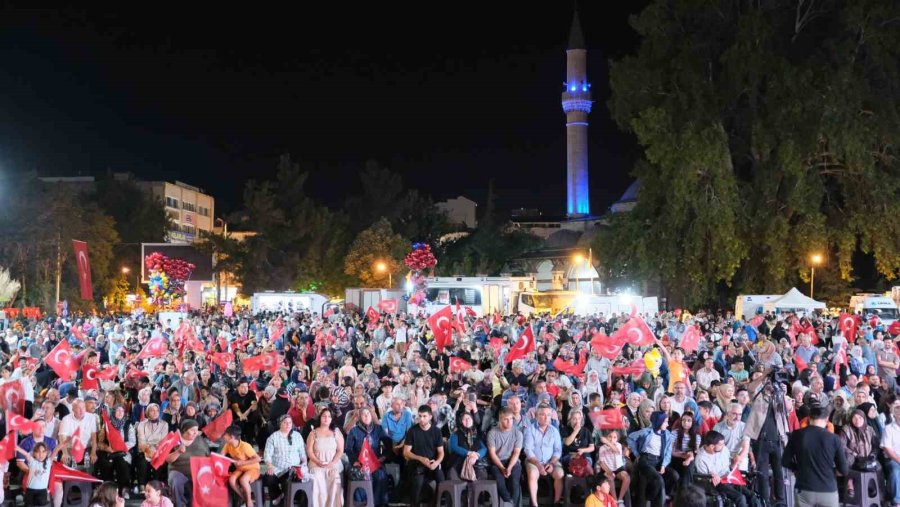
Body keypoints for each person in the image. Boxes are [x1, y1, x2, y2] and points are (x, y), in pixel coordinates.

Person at [782, 404, 848, 507]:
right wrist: (833, 471)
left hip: (804, 487)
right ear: (827, 419)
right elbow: (844, 470)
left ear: (808, 418)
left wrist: (797, 469)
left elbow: (785, 461)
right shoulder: (834, 438)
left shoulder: (797, 435)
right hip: (828, 489)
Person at [627, 411, 675, 507]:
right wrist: (636, 453)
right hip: (646, 460)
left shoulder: (668, 435)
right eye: (665, 421)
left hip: (659, 461)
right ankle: (648, 497)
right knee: (658, 480)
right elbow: (630, 438)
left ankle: (663, 497)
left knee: (674, 475)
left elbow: (668, 453)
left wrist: (663, 465)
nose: (667, 424)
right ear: (659, 421)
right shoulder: (647, 432)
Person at [693, 431, 753, 507]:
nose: (723, 446)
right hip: (718, 483)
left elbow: (730, 467)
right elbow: (703, 479)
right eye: (721, 444)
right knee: (740, 498)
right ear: (712, 446)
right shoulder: (701, 458)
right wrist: (711, 476)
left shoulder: (724, 449)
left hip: (730, 478)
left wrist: (735, 463)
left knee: (752, 495)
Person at [345, 407, 390, 507]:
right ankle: (362, 503)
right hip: (359, 463)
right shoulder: (354, 431)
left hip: (375, 462)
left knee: (380, 475)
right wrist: (354, 461)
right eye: (363, 414)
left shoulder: (378, 429)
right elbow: (348, 449)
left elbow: (389, 444)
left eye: (368, 414)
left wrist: (383, 457)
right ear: (360, 417)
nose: (366, 416)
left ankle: (377, 503)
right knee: (359, 476)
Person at [403, 405, 445, 507]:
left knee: (440, 477)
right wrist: (420, 458)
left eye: (424, 416)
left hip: (431, 463)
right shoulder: (412, 431)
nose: (421, 419)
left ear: (430, 417)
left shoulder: (436, 431)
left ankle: (438, 503)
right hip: (416, 463)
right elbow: (406, 452)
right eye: (420, 416)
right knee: (418, 481)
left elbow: (441, 452)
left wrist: (437, 462)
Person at [263, 415, 310, 506]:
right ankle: (278, 496)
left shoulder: (297, 436)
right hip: (278, 468)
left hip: (293, 469)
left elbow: (302, 453)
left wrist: (304, 464)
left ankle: (288, 500)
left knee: (291, 481)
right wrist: (269, 466)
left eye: (290, 423)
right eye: (285, 422)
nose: (288, 425)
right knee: (268, 478)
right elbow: (267, 455)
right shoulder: (273, 437)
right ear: (280, 424)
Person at [523, 404, 563, 507]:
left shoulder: (554, 431)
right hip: (533, 460)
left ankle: (557, 502)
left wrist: (552, 463)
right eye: (543, 415)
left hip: (551, 460)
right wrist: (538, 465)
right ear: (536, 416)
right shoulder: (530, 429)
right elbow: (528, 450)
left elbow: (557, 450)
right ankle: (534, 503)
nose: (546, 418)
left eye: (548, 415)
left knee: (560, 474)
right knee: (532, 473)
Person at [165, 419, 210, 507]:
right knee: (176, 480)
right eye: (192, 430)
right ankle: (180, 505)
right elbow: (167, 459)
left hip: (198, 472)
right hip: (178, 471)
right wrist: (178, 452)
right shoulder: (174, 440)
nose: (195, 433)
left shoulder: (200, 440)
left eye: (196, 430)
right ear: (185, 430)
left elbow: (208, 456)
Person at [95, 404, 135, 498]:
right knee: (106, 464)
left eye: (122, 411)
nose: (120, 413)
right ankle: (109, 490)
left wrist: (121, 447)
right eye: (118, 411)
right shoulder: (106, 425)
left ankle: (124, 489)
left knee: (122, 464)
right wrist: (107, 448)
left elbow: (132, 441)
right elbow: (100, 443)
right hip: (109, 452)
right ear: (113, 412)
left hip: (123, 452)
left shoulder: (128, 425)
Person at [307, 407, 344, 507]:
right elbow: (309, 451)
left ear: (331, 419)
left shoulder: (336, 432)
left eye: (328, 416)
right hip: (316, 463)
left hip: (333, 463)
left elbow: (340, 451)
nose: (326, 418)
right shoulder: (313, 433)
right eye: (324, 416)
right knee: (316, 478)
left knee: (334, 477)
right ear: (320, 418)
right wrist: (317, 461)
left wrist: (332, 463)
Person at [487, 408, 523, 507]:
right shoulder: (492, 433)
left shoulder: (518, 433)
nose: (509, 422)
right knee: (499, 481)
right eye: (506, 419)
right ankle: (509, 502)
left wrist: (509, 468)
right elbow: (492, 454)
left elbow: (516, 453)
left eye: (511, 419)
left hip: (513, 461)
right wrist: (502, 468)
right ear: (500, 419)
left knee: (515, 481)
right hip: (498, 461)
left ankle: (513, 504)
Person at [221, 425, 261, 507]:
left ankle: (249, 502)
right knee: (231, 480)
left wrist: (243, 463)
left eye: (225, 434)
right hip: (240, 469)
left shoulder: (245, 446)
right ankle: (244, 498)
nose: (223, 436)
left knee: (243, 480)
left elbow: (258, 459)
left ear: (231, 437)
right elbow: (222, 455)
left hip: (252, 468)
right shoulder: (228, 445)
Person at [16, 441, 63, 507]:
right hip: (30, 491)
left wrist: (63, 443)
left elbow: (56, 450)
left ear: (46, 453)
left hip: (42, 492)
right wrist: (17, 448)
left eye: (43, 451)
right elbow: (26, 454)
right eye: (38, 452)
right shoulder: (32, 461)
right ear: (34, 453)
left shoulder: (48, 462)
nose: (41, 454)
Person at [136, 403, 169, 487]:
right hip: (145, 449)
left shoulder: (164, 424)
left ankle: (156, 485)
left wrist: (155, 451)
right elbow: (142, 442)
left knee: (159, 460)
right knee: (142, 462)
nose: (155, 412)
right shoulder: (142, 424)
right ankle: (142, 485)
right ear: (148, 412)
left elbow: (163, 441)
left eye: (157, 410)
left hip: (158, 450)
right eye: (152, 410)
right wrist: (148, 451)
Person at [448, 411, 487, 480]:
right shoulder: (455, 433)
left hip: (475, 460)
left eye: (469, 418)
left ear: (472, 420)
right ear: (461, 422)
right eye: (464, 419)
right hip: (458, 459)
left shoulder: (477, 433)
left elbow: (484, 448)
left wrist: (476, 456)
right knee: (453, 476)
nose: (467, 420)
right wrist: (469, 453)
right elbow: (454, 447)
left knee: (482, 474)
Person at [596, 430, 630, 506]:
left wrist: (607, 442)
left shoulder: (618, 445)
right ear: (606, 437)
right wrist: (609, 471)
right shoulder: (602, 448)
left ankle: (620, 500)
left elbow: (617, 451)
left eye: (614, 437)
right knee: (610, 478)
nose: (612, 439)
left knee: (626, 477)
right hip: (607, 468)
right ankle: (614, 500)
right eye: (610, 437)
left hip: (618, 468)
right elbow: (602, 463)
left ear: (617, 439)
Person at [881, 400, 900, 507]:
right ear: (895, 415)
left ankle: (889, 494)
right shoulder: (888, 429)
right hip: (892, 459)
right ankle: (897, 502)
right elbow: (887, 449)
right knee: (896, 470)